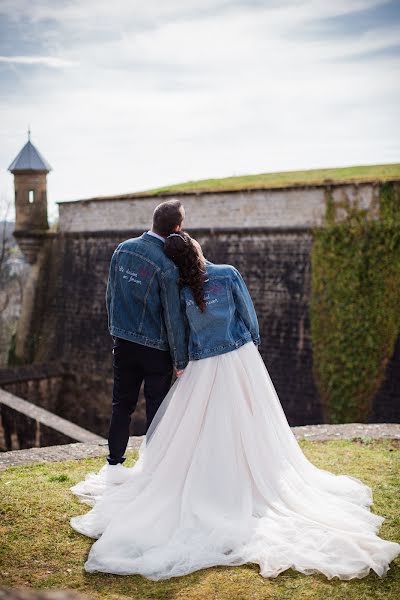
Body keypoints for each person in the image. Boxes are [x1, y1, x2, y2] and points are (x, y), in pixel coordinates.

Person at [70, 232, 400, 581]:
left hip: (201, 365)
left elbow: (180, 333)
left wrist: (181, 363)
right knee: (252, 423)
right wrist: (251, 347)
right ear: (196, 249)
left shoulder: (181, 290)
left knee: (203, 429)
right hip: (239, 358)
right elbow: (248, 316)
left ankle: (213, 480)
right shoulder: (228, 273)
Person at [101, 199, 188, 483]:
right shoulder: (167, 265)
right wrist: (180, 359)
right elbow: (173, 317)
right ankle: (153, 470)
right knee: (157, 409)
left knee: (121, 405)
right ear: (176, 228)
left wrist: (115, 331)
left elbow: (110, 296)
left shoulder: (122, 250)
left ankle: (114, 464)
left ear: (153, 222)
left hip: (123, 343)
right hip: (156, 349)